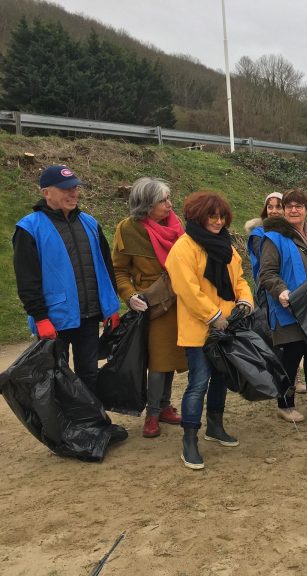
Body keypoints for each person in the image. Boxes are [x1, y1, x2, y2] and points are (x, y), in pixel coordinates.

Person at [165, 191, 254, 470]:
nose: (217, 222)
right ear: (198, 217)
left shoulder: (226, 245)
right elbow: (186, 289)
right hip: (199, 327)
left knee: (220, 378)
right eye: (212, 217)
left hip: (227, 326)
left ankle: (215, 426)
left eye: (221, 217)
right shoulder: (184, 247)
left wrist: (245, 302)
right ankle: (189, 439)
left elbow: (238, 279)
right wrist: (213, 315)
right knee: (199, 382)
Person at [13, 165, 121, 394]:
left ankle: (92, 426)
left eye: (75, 188)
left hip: (89, 317)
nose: (73, 193)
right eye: (65, 189)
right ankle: (62, 430)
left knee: (89, 375)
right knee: (55, 378)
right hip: (54, 320)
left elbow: (105, 268)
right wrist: (40, 317)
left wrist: (111, 306)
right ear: (46, 192)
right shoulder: (29, 228)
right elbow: (27, 280)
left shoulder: (90, 223)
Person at [112, 177, 187, 438]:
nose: (169, 204)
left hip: (179, 301)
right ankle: (153, 413)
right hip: (152, 305)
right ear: (146, 205)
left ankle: (164, 406)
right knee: (158, 360)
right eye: (162, 201)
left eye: (168, 198)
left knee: (170, 358)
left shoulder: (177, 227)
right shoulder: (127, 229)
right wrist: (129, 295)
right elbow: (119, 270)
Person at [259, 189, 307, 423]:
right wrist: (282, 291)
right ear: (282, 211)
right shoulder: (273, 237)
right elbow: (267, 273)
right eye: (289, 206)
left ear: (306, 209)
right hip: (288, 307)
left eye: (299, 206)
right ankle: (285, 404)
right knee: (290, 358)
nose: (294, 210)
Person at [245, 193, 307, 394]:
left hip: (294, 293)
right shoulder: (262, 235)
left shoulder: (294, 232)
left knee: (295, 340)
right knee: (280, 339)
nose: (274, 211)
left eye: (278, 206)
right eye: (269, 207)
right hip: (269, 292)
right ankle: (281, 382)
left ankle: (294, 377)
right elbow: (268, 266)